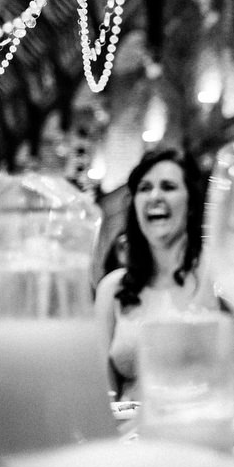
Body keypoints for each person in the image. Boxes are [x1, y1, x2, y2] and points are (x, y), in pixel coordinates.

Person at [93, 146, 209, 402]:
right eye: (144, 188)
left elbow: (231, 382)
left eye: (168, 187)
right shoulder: (113, 288)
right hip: (128, 433)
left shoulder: (211, 273)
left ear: (190, 203)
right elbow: (103, 391)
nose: (155, 196)